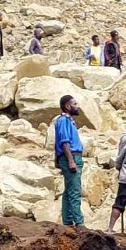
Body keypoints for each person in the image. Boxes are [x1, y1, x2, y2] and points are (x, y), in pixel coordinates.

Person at [53, 94, 84, 227]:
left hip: (71, 157)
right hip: (71, 157)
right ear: (67, 106)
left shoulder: (68, 120)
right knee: (75, 191)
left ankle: (67, 221)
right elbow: (64, 141)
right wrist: (70, 160)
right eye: (75, 104)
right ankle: (79, 223)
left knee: (68, 191)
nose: (77, 107)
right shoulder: (64, 120)